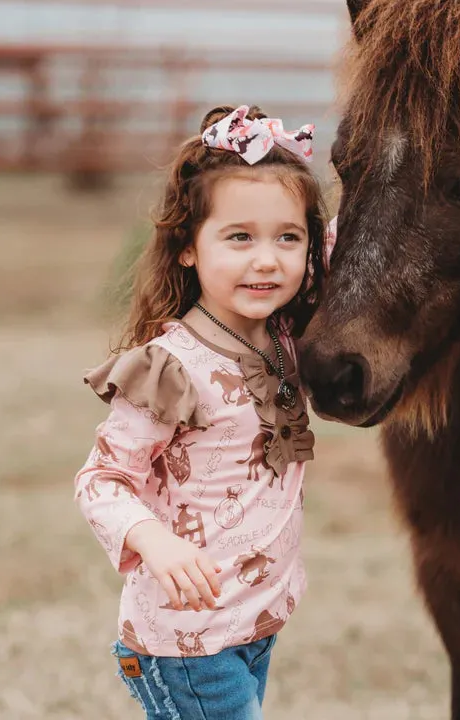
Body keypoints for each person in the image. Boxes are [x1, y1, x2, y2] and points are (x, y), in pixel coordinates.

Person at [74, 103, 328, 719]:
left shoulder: (285, 335)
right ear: (187, 248)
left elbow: (366, 230)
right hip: (186, 645)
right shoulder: (171, 368)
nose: (267, 259)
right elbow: (101, 482)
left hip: (253, 624)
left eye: (287, 238)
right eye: (239, 236)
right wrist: (154, 541)